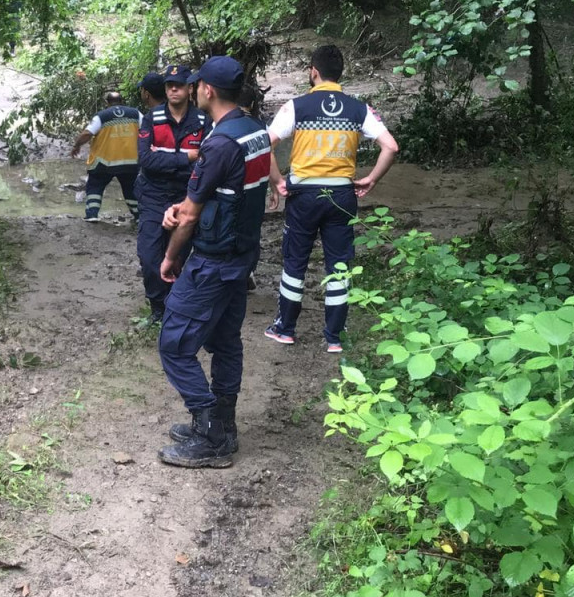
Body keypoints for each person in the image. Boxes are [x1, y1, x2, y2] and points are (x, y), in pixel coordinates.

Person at [155, 56, 271, 468]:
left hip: (214, 261)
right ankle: (224, 424)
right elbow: (224, 195)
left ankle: (210, 435)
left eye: (196, 84)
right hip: (241, 257)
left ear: (207, 90)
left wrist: (170, 256)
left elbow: (191, 214)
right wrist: (182, 207)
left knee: (173, 343)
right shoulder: (253, 129)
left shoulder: (219, 142)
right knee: (224, 341)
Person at [264, 45, 399, 353]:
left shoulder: (296, 106)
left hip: (304, 195)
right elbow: (390, 146)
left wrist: (278, 180)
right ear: (341, 74)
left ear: (313, 71)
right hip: (341, 194)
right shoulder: (358, 108)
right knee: (338, 265)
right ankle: (335, 337)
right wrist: (372, 179)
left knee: (295, 261)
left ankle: (285, 329)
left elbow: (265, 144)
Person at [135, 64, 207, 323]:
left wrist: (164, 156)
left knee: (177, 253)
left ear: (190, 88)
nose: (173, 89)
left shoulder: (202, 121)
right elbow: (145, 160)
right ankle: (158, 306)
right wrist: (185, 157)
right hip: (153, 195)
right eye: (169, 85)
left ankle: (173, 303)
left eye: (178, 84)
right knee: (148, 253)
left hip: (186, 195)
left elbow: (206, 161)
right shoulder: (151, 118)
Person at [71, 91, 140, 223]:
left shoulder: (102, 116)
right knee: (130, 188)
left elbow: (87, 133)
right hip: (130, 160)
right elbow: (148, 129)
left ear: (107, 103)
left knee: (95, 186)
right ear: (122, 101)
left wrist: (76, 145)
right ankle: (138, 215)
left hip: (104, 161)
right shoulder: (135, 114)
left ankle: (92, 214)